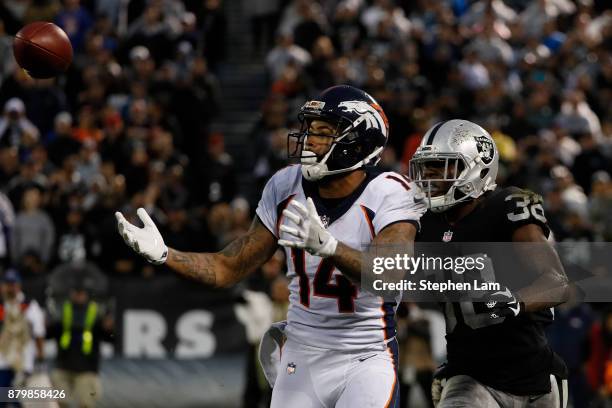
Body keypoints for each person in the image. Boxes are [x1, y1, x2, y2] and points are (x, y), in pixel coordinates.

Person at [116, 85, 426, 407]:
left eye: (322, 132)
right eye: (309, 130)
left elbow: (389, 274)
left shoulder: (390, 192)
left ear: (358, 141)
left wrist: (331, 247)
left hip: (366, 355)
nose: (309, 140)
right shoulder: (285, 185)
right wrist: (166, 254)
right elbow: (227, 268)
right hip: (302, 353)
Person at [409, 119, 570, 407]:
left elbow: (557, 283)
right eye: (426, 166)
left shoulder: (507, 206)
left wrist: (513, 301)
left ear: (475, 168)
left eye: (441, 166)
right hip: (469, 376)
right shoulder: (422, 223)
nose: (429, 176)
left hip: (533, 378)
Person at [48, 280, 114, 408]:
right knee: (59, 403)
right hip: (63, 364)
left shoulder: (96, 312)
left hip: (87, 367)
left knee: (86, 404)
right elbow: (50, 333)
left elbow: (109, 338)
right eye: (76, 293)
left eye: (81, 293)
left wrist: (109, 329)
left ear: (86, 295)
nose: (78, 296)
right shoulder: (63, 310)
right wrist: (48, 326)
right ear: (71, 294)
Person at [0, 269, 45, 394]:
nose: (9, 288)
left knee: (23, 401)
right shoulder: (1, 305)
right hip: (2, 361)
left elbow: (39, 333)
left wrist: (40, 358)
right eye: (7, 284)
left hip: (24, 362)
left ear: (18, 285)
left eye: (12, 284)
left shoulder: (29, 305)